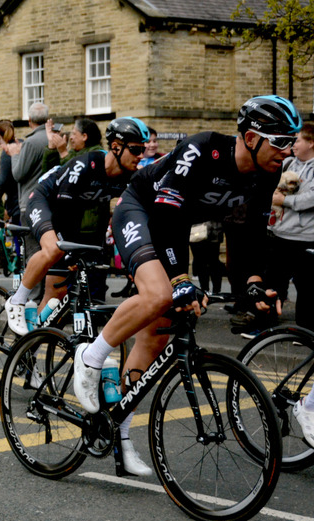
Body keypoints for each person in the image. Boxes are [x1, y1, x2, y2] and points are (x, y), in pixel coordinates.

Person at [72, 95, 301, 477]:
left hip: (173, 228)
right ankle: (91, 356)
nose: (288, 150)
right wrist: (180, 279)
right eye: (280, 141)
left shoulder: (265, 174)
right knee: (159, 294)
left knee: (155, 337)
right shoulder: (203, 149)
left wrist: (254, 283)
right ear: (250, 138)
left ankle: (119, 434)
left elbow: (250, 235)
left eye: (291, 142)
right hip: (143, 212)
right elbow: (166, 219)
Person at [4, 117, 149, 345]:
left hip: (71, 218)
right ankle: (16, 300)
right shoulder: (87, 164)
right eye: (136, 149)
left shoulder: (128, 178)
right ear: (116, 147)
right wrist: (69, 250)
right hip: (44, 201)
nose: (141, 156)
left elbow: (127, 218)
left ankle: (25, 348)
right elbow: (63, 212)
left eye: (143, 150)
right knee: (54, 249)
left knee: (56, 295)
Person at [264, 122, 314, 331]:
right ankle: (266, 324)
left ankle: (305, 331)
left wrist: (284, 201)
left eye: (298, 141)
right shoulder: (288, 164)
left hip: (305, 237)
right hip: (280, 233)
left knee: (307, 287)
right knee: (273, 282)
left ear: (311, 143)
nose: (293, 145)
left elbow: (310, 198)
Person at [9, 102, 50, 257]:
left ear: (29, 120)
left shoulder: (31, 142)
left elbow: (18, 174)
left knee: (32, 251)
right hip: (50, 202)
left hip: (30, 203)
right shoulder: (53, 138)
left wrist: (15, 154)